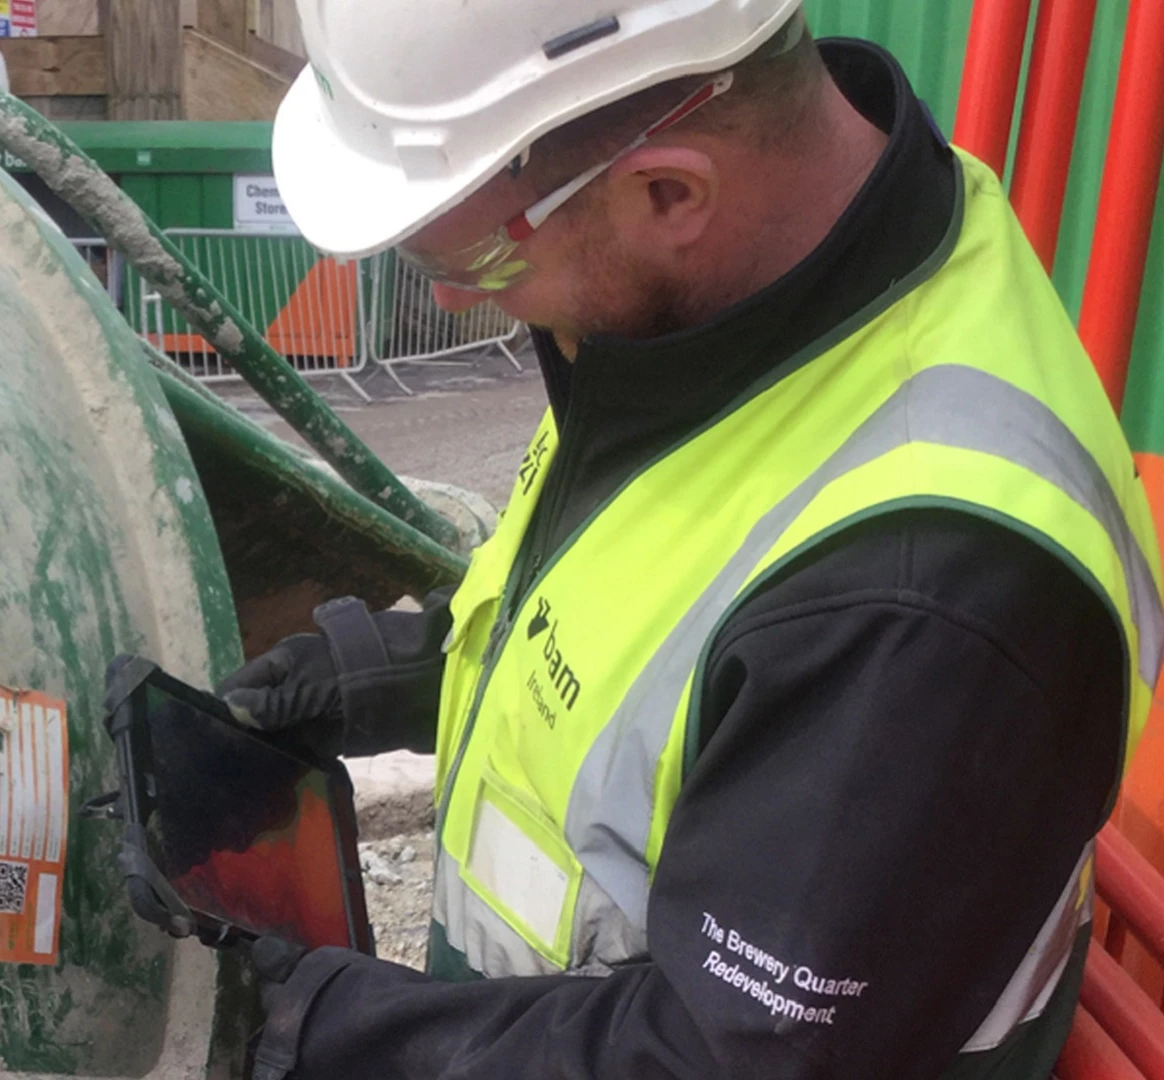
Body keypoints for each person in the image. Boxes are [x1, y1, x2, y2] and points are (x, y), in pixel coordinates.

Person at [225, 2, 1164, 1077]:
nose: (456, 296)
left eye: (477, 259)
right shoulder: (743, 306)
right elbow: (642, 631)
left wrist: (343, 1033)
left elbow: (726, 1059)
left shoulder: (921, 606)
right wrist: (377, 676)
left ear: (669, 191)